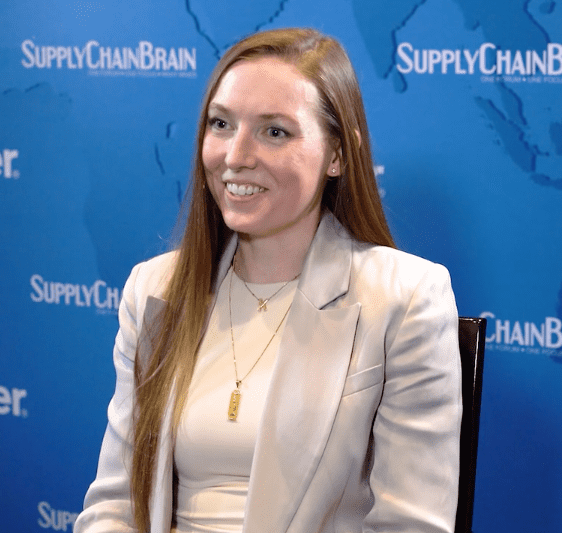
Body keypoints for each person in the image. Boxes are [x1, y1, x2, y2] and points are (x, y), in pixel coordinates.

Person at [75, 28, 461, 533]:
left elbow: (411, 526)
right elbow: (114, 506)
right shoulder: (154, 289)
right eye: (221, 124)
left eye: (274, 132)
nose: (236, 156)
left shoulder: (405, 298)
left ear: (338, 155)